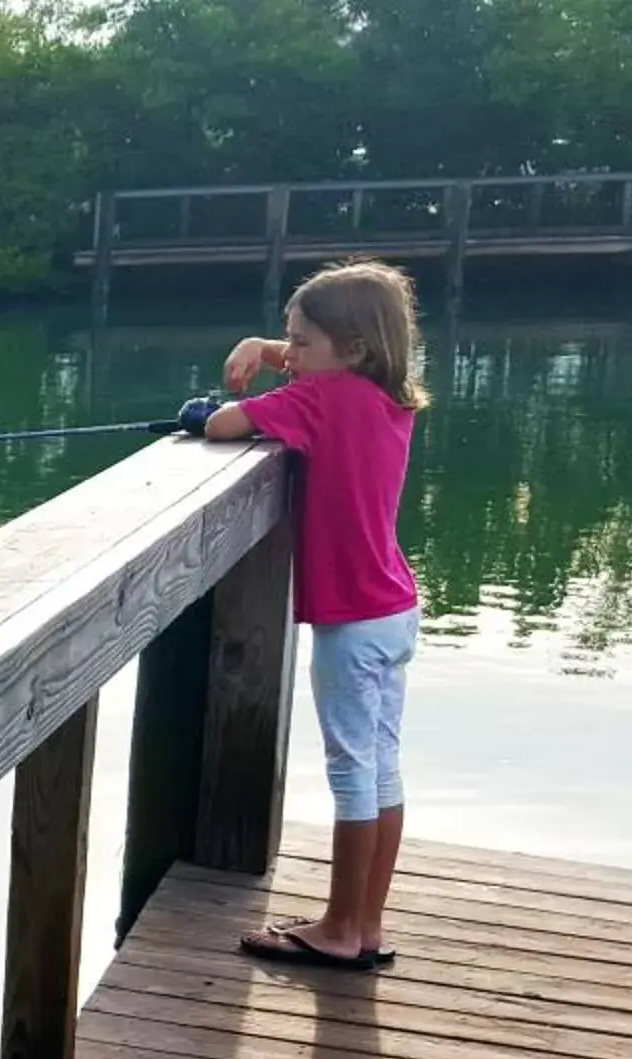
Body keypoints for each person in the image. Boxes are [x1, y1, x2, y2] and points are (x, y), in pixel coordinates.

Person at [195, 261, 427, 969]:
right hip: (394, 609)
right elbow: (310, 375)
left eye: (299, 342)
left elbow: (223, 425)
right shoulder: (385, 397)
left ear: (350, 348)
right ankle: (366, 925)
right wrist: (269, 350)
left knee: (351, 773)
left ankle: (337, 929)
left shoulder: (320, 401)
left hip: (351, 624)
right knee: (382, 770)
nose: (286, 355)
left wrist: (206, 409)